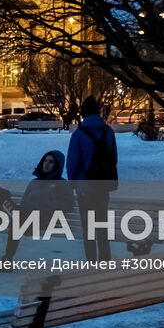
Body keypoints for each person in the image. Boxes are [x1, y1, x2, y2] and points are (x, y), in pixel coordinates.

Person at [66, 96, 119, 261]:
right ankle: (105, 258)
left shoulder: (79, 134)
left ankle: (91, 261)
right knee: (102, 224)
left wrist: (74, 182)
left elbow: (73, 162)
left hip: (85, 187)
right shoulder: (108, 131)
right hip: (103, 185)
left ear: (83, 113)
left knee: (88, 227)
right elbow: (114, 158)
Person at [2, 150, 73, 261]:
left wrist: (49, 203)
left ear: (57, 165)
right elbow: (24, 201)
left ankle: (7, 260)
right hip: (27, 216)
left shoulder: (62, 183)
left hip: (46, 220)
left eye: (51, 162)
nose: (46, 164)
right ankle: (7, 259)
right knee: (15, 216)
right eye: (45, 160)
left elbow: (69, 205)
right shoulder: (35, 182)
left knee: (16, 222)